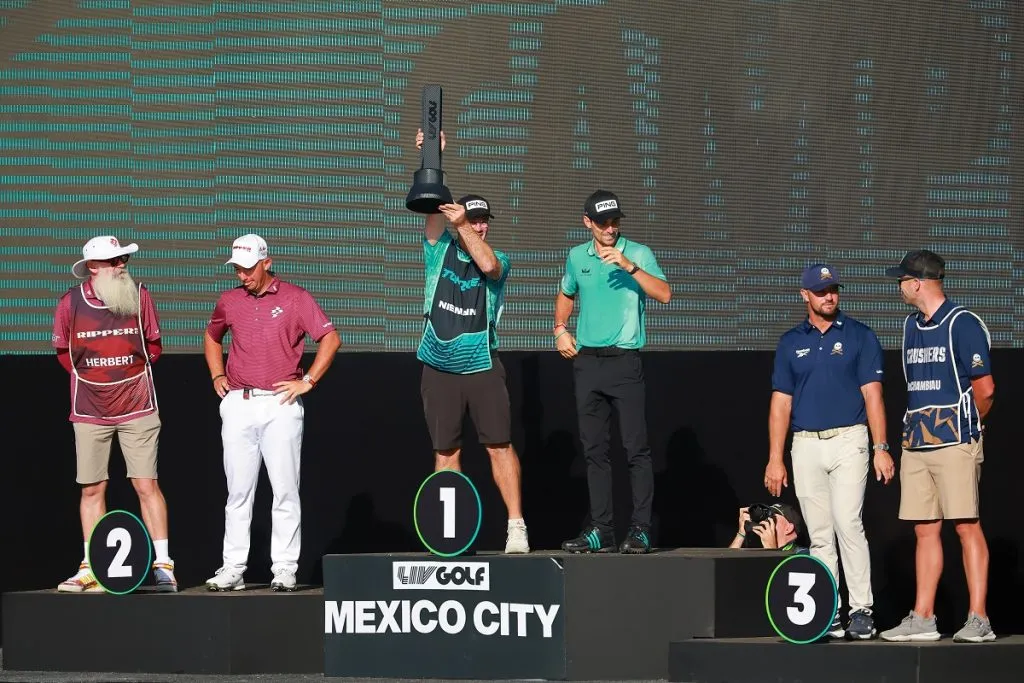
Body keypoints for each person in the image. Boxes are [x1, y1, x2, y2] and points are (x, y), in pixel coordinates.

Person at [411, 130, 529, 554]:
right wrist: (431, 157)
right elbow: (431, 210)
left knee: (499, 445)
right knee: (446, 453)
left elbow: (487, 263)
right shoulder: (437, 249)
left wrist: (465, 227)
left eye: (482, 221)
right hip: (439, 366)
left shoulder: (499, 260)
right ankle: (451, 532)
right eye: (472, 218)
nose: (478, 225)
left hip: (481, 365)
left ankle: (516, 526)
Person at [204, 234, 341, 591]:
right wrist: (217, 374)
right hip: (239, 402)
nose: (242, 276)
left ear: (266, 262)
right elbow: (212, 335)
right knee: (238, 492)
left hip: (281, 403)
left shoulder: (295, 298)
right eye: (237, 269)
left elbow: (330, 337)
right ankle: (233, 567)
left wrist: (308, 381)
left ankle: (284, 567)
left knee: (284, 491)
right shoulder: (230, 300)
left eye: (248, 268)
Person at [765, 263, 894, 640]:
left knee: (847, 522)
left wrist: (880, 447)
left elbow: (874, 395)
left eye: (833, 289)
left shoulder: (859, 336)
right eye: (820, 291)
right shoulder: (790, 342)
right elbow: (780, 404)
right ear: (804, 295)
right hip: (805, 444)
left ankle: (862, 609)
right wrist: (775, 457)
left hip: (849, 440)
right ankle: (830, 609)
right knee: (820, 533)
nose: (829, 296)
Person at [880, 250, 996, 643]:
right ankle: (923, 617)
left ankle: (979, 618)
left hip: (954, 441)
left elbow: (986, 388)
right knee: (925, 530)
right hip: (916, 441)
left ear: (917, 283)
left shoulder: (962, 324)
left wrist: (971, 424)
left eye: (902, 280)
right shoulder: (911, 327)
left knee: (966, 525)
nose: (899, 287)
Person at [52, 236, 176, 593]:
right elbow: (64, 353)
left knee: (145, 483)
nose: (122, 265)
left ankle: (164, 566)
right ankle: (91, 567)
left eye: (124, 259)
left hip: (138, 407)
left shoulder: (140, 296)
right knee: (92, 488)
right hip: (89, 410)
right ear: (93, 267)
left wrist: (125, 379)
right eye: (114, 261)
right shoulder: (70, 303)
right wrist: (98, 382)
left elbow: (153, 346)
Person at [555, 190, 671, 554]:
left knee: (635, 448)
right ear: (587, 222)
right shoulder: (577, 256)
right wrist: (559, 328)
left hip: (624, 360)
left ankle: (639, 529)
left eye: (615, 221)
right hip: (588, 362)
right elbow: (567, 292)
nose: (610, 228)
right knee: (594, 451)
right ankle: (601, 529)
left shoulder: (637, 253)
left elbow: (665, 294)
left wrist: (628, 266)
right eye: (602, 222)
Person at [728, 504, 806, 551]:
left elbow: (778, 577)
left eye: (773, 517)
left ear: (788, 529)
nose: (767, 521)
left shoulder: (802, 555)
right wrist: (741, 533)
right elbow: (726, 567)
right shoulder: (758, 548)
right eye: (766, 516)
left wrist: (771, 550)